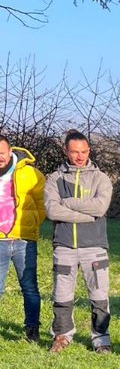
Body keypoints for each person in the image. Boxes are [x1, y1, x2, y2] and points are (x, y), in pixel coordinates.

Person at [43, 129, 114, 354]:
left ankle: (101, 338)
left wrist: (69, 202)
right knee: (62, 296)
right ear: (66, 151)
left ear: (89, 151)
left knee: (99, 296)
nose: (80, 156)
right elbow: (52, 210)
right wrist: (86, 215)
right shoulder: (54, 179)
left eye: (84, 151)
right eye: (75, 152)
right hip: (64, 246)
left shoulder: (100, 178)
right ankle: (62, 335)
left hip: (95, 247)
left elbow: (100, 207)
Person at [0, 135, 45, 342]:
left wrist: (33, 223)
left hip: (24, 240)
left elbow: (43, 203)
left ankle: (32, 329)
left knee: (29, 288)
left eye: (1, 153)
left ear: (10, 151)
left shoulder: (31, 174)